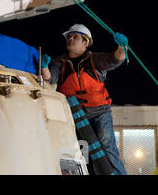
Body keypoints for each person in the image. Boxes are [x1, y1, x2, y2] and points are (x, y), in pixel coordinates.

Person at [40, 24, 128, 175]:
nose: (70, 38)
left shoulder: (95, 60)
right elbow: (50, 78)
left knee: (106, 145)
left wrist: (122, 46)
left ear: (85, 43)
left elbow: (115, 59)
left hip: (99, 113)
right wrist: (44, 67)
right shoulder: (59, 62)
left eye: (75, 36)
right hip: (75, 115)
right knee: (80, 151)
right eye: (69, 37)